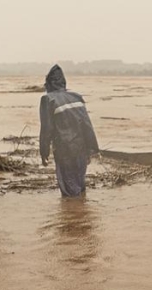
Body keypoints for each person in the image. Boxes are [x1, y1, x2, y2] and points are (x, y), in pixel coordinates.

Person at [38, 64, 99, 197]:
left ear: (48, 84)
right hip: (81, 149)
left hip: (64, 151)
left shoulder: (47, 100)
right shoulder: (77, 97)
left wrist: (44, 153)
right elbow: (87, 125)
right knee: (80, 185)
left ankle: (73, 216)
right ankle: (81, 214)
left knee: (69, 190)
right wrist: (93, 149)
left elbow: (46, 130)